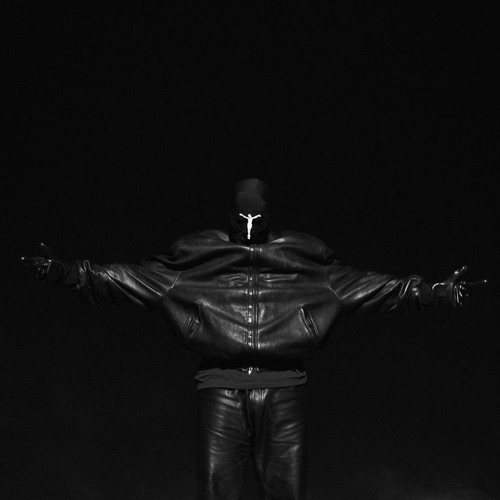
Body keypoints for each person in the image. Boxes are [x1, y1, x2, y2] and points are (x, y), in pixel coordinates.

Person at [21, 178, 487, 500]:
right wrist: (67, 272)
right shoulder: (197, 257)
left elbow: (374, 288)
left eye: (256, 215)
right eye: (240, 215)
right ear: (230, 216)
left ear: (267, 217)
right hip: (220, 391)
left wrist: (434, 292)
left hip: (284, 393)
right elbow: (126, 280)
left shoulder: (304, 260)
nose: (248, 222)